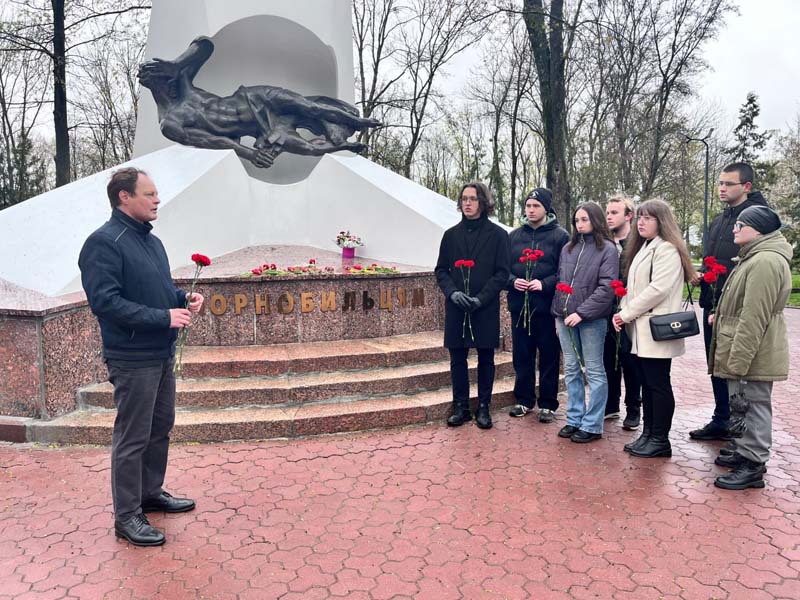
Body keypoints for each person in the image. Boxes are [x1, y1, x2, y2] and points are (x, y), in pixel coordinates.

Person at [79, 168, 204, 546]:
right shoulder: (103, 243)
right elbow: (105, 303)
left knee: (160, 427)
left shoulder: (152, 242)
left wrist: (182, 298)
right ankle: (127, 515)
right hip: (132, 357)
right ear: (124, 197)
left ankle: (150, 493)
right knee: (132, 437)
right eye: (149, 194)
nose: (157, 199)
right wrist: (163, 318)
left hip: (160, 352)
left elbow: (158, 290)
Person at [708, 206, 792, 490]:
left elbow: (754, 316)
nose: (734, 229)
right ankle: (745, 453)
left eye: (740, 225)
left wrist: (739, 361)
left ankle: (753, 464)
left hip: (754, 349)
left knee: (753, 405)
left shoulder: (765, 261)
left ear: (757, 230)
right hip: (746, 346)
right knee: (743, 404)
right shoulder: (754, 256)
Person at [691, 162, 769, 443]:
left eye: (728, 184)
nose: (722, 189)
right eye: (720, 183)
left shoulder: (757, 219)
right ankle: (722, 419)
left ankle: (741, 435)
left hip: (736, 306)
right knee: (716, 365)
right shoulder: (720, 220)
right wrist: (702, 275)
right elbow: (714, 257)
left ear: (746, 186)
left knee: (736, 371)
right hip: (713, 302)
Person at [613, 200, 697, 458]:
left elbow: (657, 290)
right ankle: (648, 434)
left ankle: (660, 439)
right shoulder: (645, 247)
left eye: (648, 218)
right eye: (640, 217)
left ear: (662, 221)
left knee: (657, 384)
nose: (641, 222)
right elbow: (634, 287)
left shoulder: (667, 249)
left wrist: (625, 314)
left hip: (655, 328)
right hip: (641, 328)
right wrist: (623, 312)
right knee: (648, 385)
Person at [435, 182, 510, 430]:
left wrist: (481, 298)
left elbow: (502, 273)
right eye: (464, 199)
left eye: (473, 199)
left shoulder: (498, 235)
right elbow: (441, 270)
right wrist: (453, 292)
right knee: (458, 358)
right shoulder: (450, 235)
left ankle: (484, 407)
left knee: (486, 358)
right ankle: (461, 407)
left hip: (484, 307)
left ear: (483, 202)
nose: (467, 203)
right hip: (457, 307)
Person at [551, 202, 618, 443]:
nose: (579, 225)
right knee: (571, 369)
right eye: (576, 220)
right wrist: (558, 314)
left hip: (591, 320)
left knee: (594, 370)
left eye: (584, 220)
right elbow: (560, 281)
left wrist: (581, 313)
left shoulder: (607, 249)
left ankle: (592, 424)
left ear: (596, 220)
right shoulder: (568, 248)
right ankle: (574, 418)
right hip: (564, 318)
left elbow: (607, 287)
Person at [506, 188, 569, 423]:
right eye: (528, 206)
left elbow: (565, 271)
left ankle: (548, 404)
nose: (531, 210)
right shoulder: (513, 236)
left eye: (536, 206)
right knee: (522, 354)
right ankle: (523, 399)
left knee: (549, 356)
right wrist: (513, 281)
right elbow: (501, 270)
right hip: (519, 307)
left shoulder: (560, 236)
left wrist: (544, 284)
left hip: (546, 308)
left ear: (546, 208)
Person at [603, 196, 642, 429]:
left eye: (614, 212)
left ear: (628, 216)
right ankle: (611, 405)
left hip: (629, 310)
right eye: (607, 212)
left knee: (630, 361)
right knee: (609, 359)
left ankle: (633, 408)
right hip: (605, 310)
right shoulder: (603, 243)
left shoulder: (637, 244)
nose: (609, 216)